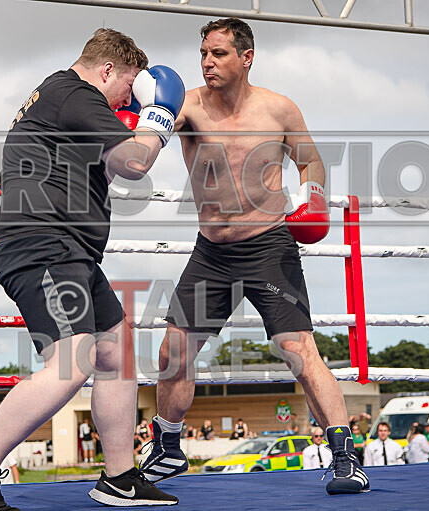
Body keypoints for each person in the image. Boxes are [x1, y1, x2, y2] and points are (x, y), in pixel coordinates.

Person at [0, 28, 184, 510]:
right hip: (42, 245)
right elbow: (136, 164)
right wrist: (157, 118)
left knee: (117, 347)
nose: (124, 101)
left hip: (70, 249)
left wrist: (134, 127)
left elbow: (111, 166)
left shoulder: (59, 100)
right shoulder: (75, 94)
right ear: (109, 70)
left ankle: (118, 477)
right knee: (74, 361)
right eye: (126, 88)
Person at [139, 17, 369, 496]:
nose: (207, 63)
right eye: (203, 53)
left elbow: (310, 159)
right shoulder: (189, 105)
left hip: (269, 246)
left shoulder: (279, 108)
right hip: (212, 252)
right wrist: (142, 119)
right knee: (172, 353)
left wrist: (314, 196)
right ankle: (167, 447)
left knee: (299, 352)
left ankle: (345, 457)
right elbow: (157, 132)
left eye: (218, 54)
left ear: (246, 57)